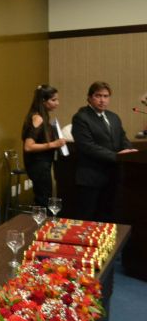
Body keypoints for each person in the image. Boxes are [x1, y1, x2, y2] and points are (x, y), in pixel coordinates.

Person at [72, 81, 137, 222]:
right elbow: (87, 146)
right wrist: (116, 156)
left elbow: (122, 138)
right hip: (91, 177)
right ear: (89, 97)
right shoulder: (81, 117)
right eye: (98, 96)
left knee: (108, 218)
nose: (102, 100)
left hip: (113, 176)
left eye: (106, 96)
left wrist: (131, 151)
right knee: (88, 219)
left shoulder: (114, 117)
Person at [21, 84, 67, 207]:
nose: (57, 103)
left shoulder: (42, 116)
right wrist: (53, 144)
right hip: (38, 165)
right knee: (43, 200)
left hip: (42, 164)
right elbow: (28, 146)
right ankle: (41, 219)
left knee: (44, 197)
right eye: (53, 100)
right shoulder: (38, 118)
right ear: (43, 101)